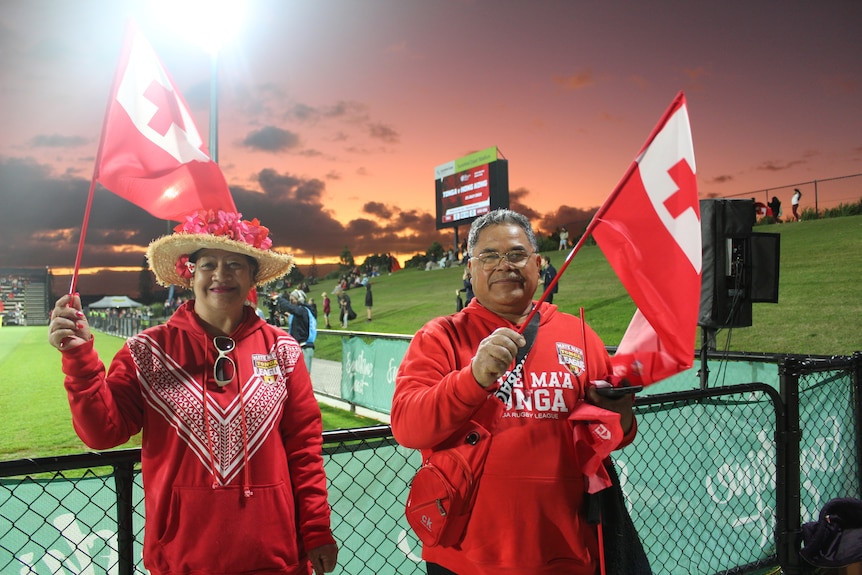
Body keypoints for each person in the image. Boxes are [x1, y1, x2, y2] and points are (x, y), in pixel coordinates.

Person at [48, 209, 338, 575]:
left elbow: (304, 448)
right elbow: (102, 432)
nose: (221, 274)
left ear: (252, 277)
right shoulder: (146, 351)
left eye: (235, 264)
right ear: (190, 273)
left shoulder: (283, 351)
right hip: (181, 562)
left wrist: (315, 528)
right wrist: (79, 358)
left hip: (277, 558)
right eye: (208, 264)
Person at [391, 209, 636, 575]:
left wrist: (622, 419)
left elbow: (610, 438)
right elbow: (408, 427)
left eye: (517, 254)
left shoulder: (580, 335)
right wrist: (472, 378)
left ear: (538, 265)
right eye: (489, 256)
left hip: (566, 554)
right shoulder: (440, 337)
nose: (504, 265)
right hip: (465, 558)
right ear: (470, 270)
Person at [277, 288, 317, 371]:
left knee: (304, 374)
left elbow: (290, 308)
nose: (291, 302)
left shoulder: (303, 310)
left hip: (305, 347)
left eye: (293, 300)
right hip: (299, 347)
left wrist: (279, 299)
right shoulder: (298, 313)